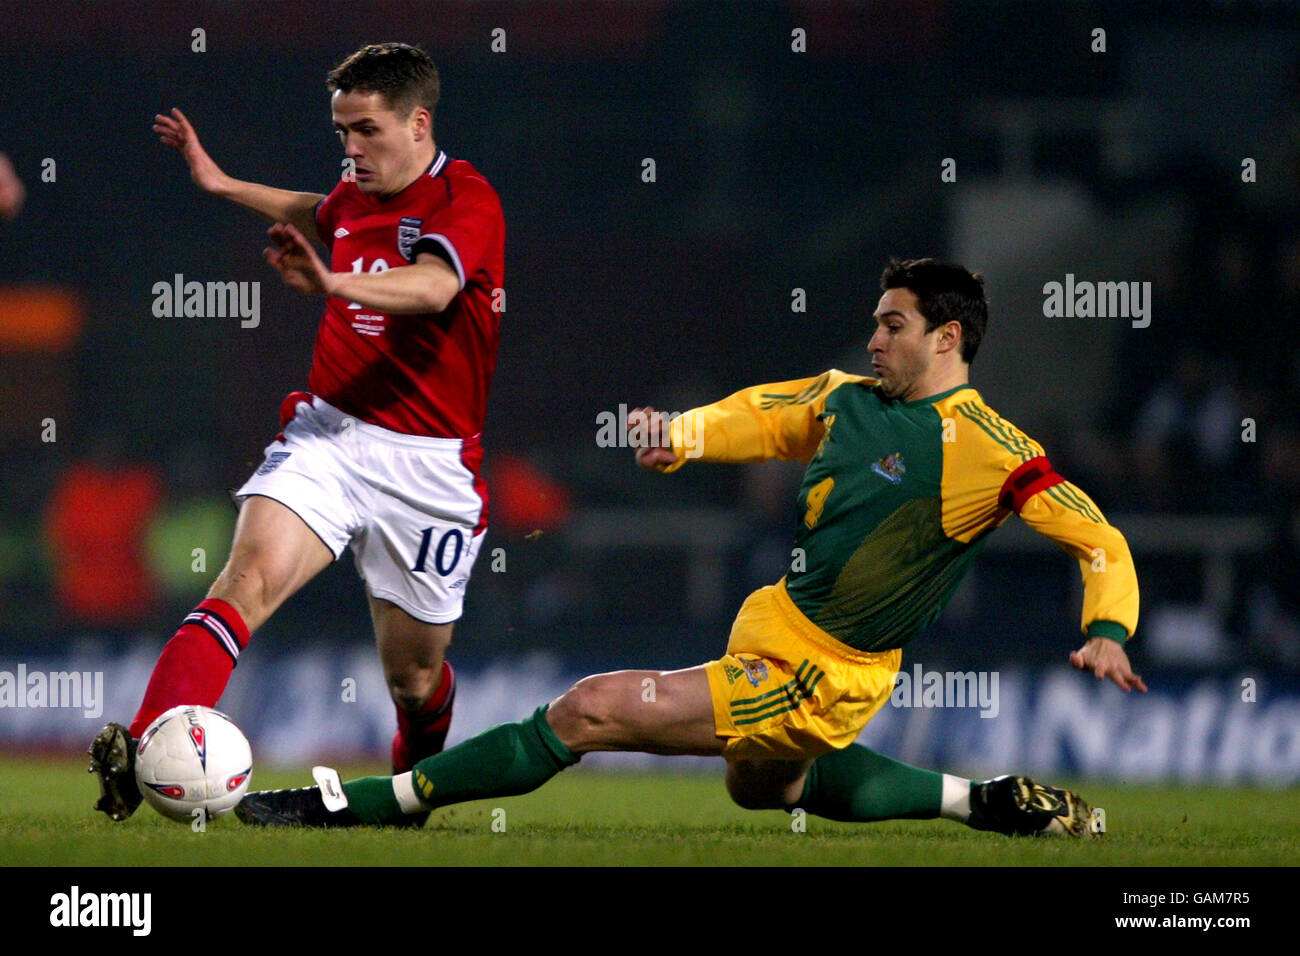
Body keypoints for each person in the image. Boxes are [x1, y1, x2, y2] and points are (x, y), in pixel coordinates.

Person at [235, 259, 1142, 837]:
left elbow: (1097, 537)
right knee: (766, 793)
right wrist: (686, 434)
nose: (873, 338)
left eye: (893, 325)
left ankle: (366, 806)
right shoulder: (847, 397)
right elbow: (764, 414)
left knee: (588, 709)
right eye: (875, 321)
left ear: (947, 339)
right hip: (774, 626)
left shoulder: (992, 448)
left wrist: (1109, 624)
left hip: (828, 673)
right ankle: (981, 802)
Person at [89, 42, 506, 821]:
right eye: (341, 130)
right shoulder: (355, 192)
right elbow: (317, 210)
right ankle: (142, 753)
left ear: (419, 124)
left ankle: (407, 799)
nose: (350, 149)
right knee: (242, 582)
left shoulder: (467, 201)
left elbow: (435, 286)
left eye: (367, 130)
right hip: (329, 435)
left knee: (414, 680)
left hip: (430, 466)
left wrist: (332, 282)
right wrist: (220, 184)